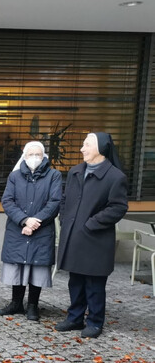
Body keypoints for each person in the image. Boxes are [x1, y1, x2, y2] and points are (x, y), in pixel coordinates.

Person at [55, 132, 128, 338]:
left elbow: (118, 207)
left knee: (95, 284)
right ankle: (74, 318)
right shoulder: (75, 171)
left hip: (96, 238)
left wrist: (91, 224)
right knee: (75, 280)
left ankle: (95, 322)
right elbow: (65, 198)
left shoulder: (115, 177)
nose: (82, 149)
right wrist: (64, 218)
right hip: (74, 236)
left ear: (100, 148)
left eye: (86, 145)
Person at [0, 141, 62, 321]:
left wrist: (35, 222)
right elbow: (7, 201)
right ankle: (16, 303)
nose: (34, 158)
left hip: (41, 229)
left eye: (38, 155)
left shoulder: (54, 175)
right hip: (18, 228)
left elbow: (55, 202)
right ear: (24, 157)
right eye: (30, 155)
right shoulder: (15, 176)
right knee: (18, 264)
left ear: (44, 157)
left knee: (37, 266)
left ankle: (33, 305)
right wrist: (25, 220)